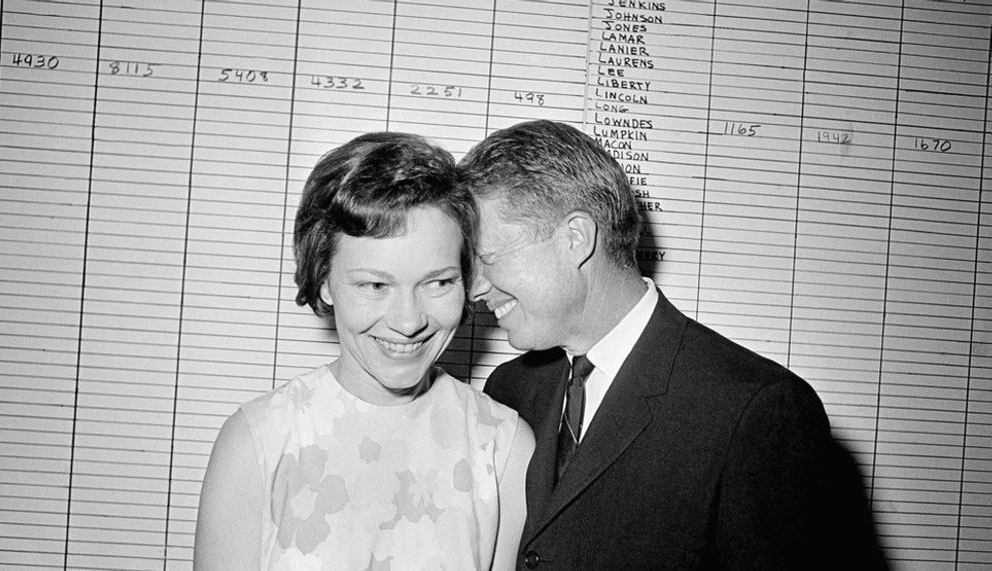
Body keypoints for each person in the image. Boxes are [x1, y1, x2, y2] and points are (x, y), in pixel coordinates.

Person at [458, 120, 886, 569]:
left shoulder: (757, 412)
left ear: (575, 239)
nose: (475, 289)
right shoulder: (511, 390)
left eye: (487, 259)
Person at [195, 132, 534, 569]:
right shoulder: (257, 442)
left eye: (438, 282)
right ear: (323, 281)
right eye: (375, 285)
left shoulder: (504, 448)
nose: (408, 321)